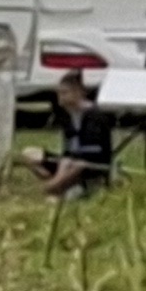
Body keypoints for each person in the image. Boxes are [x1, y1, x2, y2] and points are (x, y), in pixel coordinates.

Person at [33, 70, 117, 201]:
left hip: (91, 164)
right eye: (59, 93)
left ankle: (58, 187)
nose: (61, 97)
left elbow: (91, 152)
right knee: (31, 154)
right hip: (70, 160)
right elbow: (67, 148)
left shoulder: (94, 115)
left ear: (78, 92)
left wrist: (67, 162)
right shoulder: (66, 115)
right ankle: (60, 184)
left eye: (64, 93)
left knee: (73, 163)